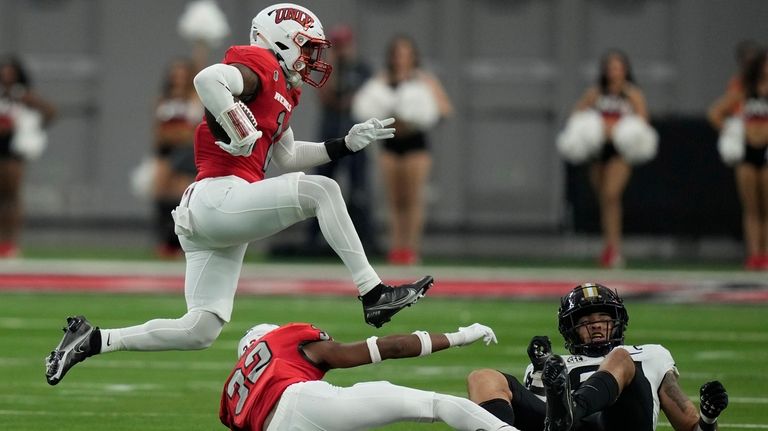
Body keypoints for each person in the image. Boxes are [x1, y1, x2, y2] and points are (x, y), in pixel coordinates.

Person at [44, 3, 433, 386]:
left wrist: (345, 143)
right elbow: (207, 79)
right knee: (324, 189)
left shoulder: (283, 90)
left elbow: (288, 155)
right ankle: (373, 291)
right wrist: (235, 120)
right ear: (281, 42)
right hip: (219, 196)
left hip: (215, 211)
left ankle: (93, 340)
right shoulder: (260, 65)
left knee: (199, 329)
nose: (313, 59)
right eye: (308, 48)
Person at [466, 283, 729, 431]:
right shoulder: (557, 364)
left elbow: (690, 427)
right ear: (570, 330)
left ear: (617, 323)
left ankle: (570, 410)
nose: (595, 325)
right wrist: (538, 371)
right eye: (586, 321)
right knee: (482, 378)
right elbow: (541, 418)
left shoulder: (649, 354)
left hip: (618, 426)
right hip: (566, 427)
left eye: (603, 318)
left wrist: (708, 418)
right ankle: (566, 414)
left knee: (620, 358)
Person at [220, 321, 518, 430]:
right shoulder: (284, 340)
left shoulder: (232, 394)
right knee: (433, 404)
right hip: (301, 401)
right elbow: (392, 347)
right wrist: (459, 337)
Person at [352, 35, 454, 265]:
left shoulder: (424, 80)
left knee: (413, 198)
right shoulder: (381, 80)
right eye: (397, 53)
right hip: (390, 143)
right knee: (394, 199)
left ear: (413, 56)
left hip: (416, 144)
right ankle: (395, 247)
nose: (401, 58)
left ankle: (411, 248)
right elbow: (364, 105)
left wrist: (420, 117)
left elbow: (445, 110)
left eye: (406, 53)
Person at [564, 50, 651, 268]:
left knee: (612, 195)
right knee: (603, 199)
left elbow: (643, 121)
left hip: (620, 151)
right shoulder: (595, 93)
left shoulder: (632, 94)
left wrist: (618, 129)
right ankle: (608, 247)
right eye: (610, 67)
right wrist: (592, 127)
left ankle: (616, 249)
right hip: (598, 150)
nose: (614, 71)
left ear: (626, 70)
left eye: (618, 67)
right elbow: (576, 114)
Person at [300, 25, 379, 256]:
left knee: (359, 191)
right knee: (321, 185)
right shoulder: (327, 69)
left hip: (356, 141)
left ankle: (365, 241)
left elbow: (361, 100)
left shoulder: (363, 69)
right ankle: (313, 241)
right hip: (331, 137)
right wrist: (333, 66)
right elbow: (327, 98)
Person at [708, 46, 768, 270]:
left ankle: (766, 254)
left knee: (766, 207)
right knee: (751, 207)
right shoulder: (744, 90)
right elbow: (714, 112)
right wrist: (732, 131)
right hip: (747, 151)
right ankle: (754, 255)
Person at [0, 55, 56, 258]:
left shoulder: (23, 95)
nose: (6, 76)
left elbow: (51, 112)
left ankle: (10, 242)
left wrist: (32, 122)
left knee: (11, 196)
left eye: (10, 72)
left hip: (14, 151)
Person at [151, 55, 205, 259]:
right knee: (160, 194)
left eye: (183, 74)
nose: (178, 78)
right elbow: (157, 130)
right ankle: (165, 241)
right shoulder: (162, 100)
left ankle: (180, 241)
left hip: (185, 150)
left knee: (181, 196)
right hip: (166, 151)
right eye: (175, 74)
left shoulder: (193, 98)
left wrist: (201, 47)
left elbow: (192, 129)